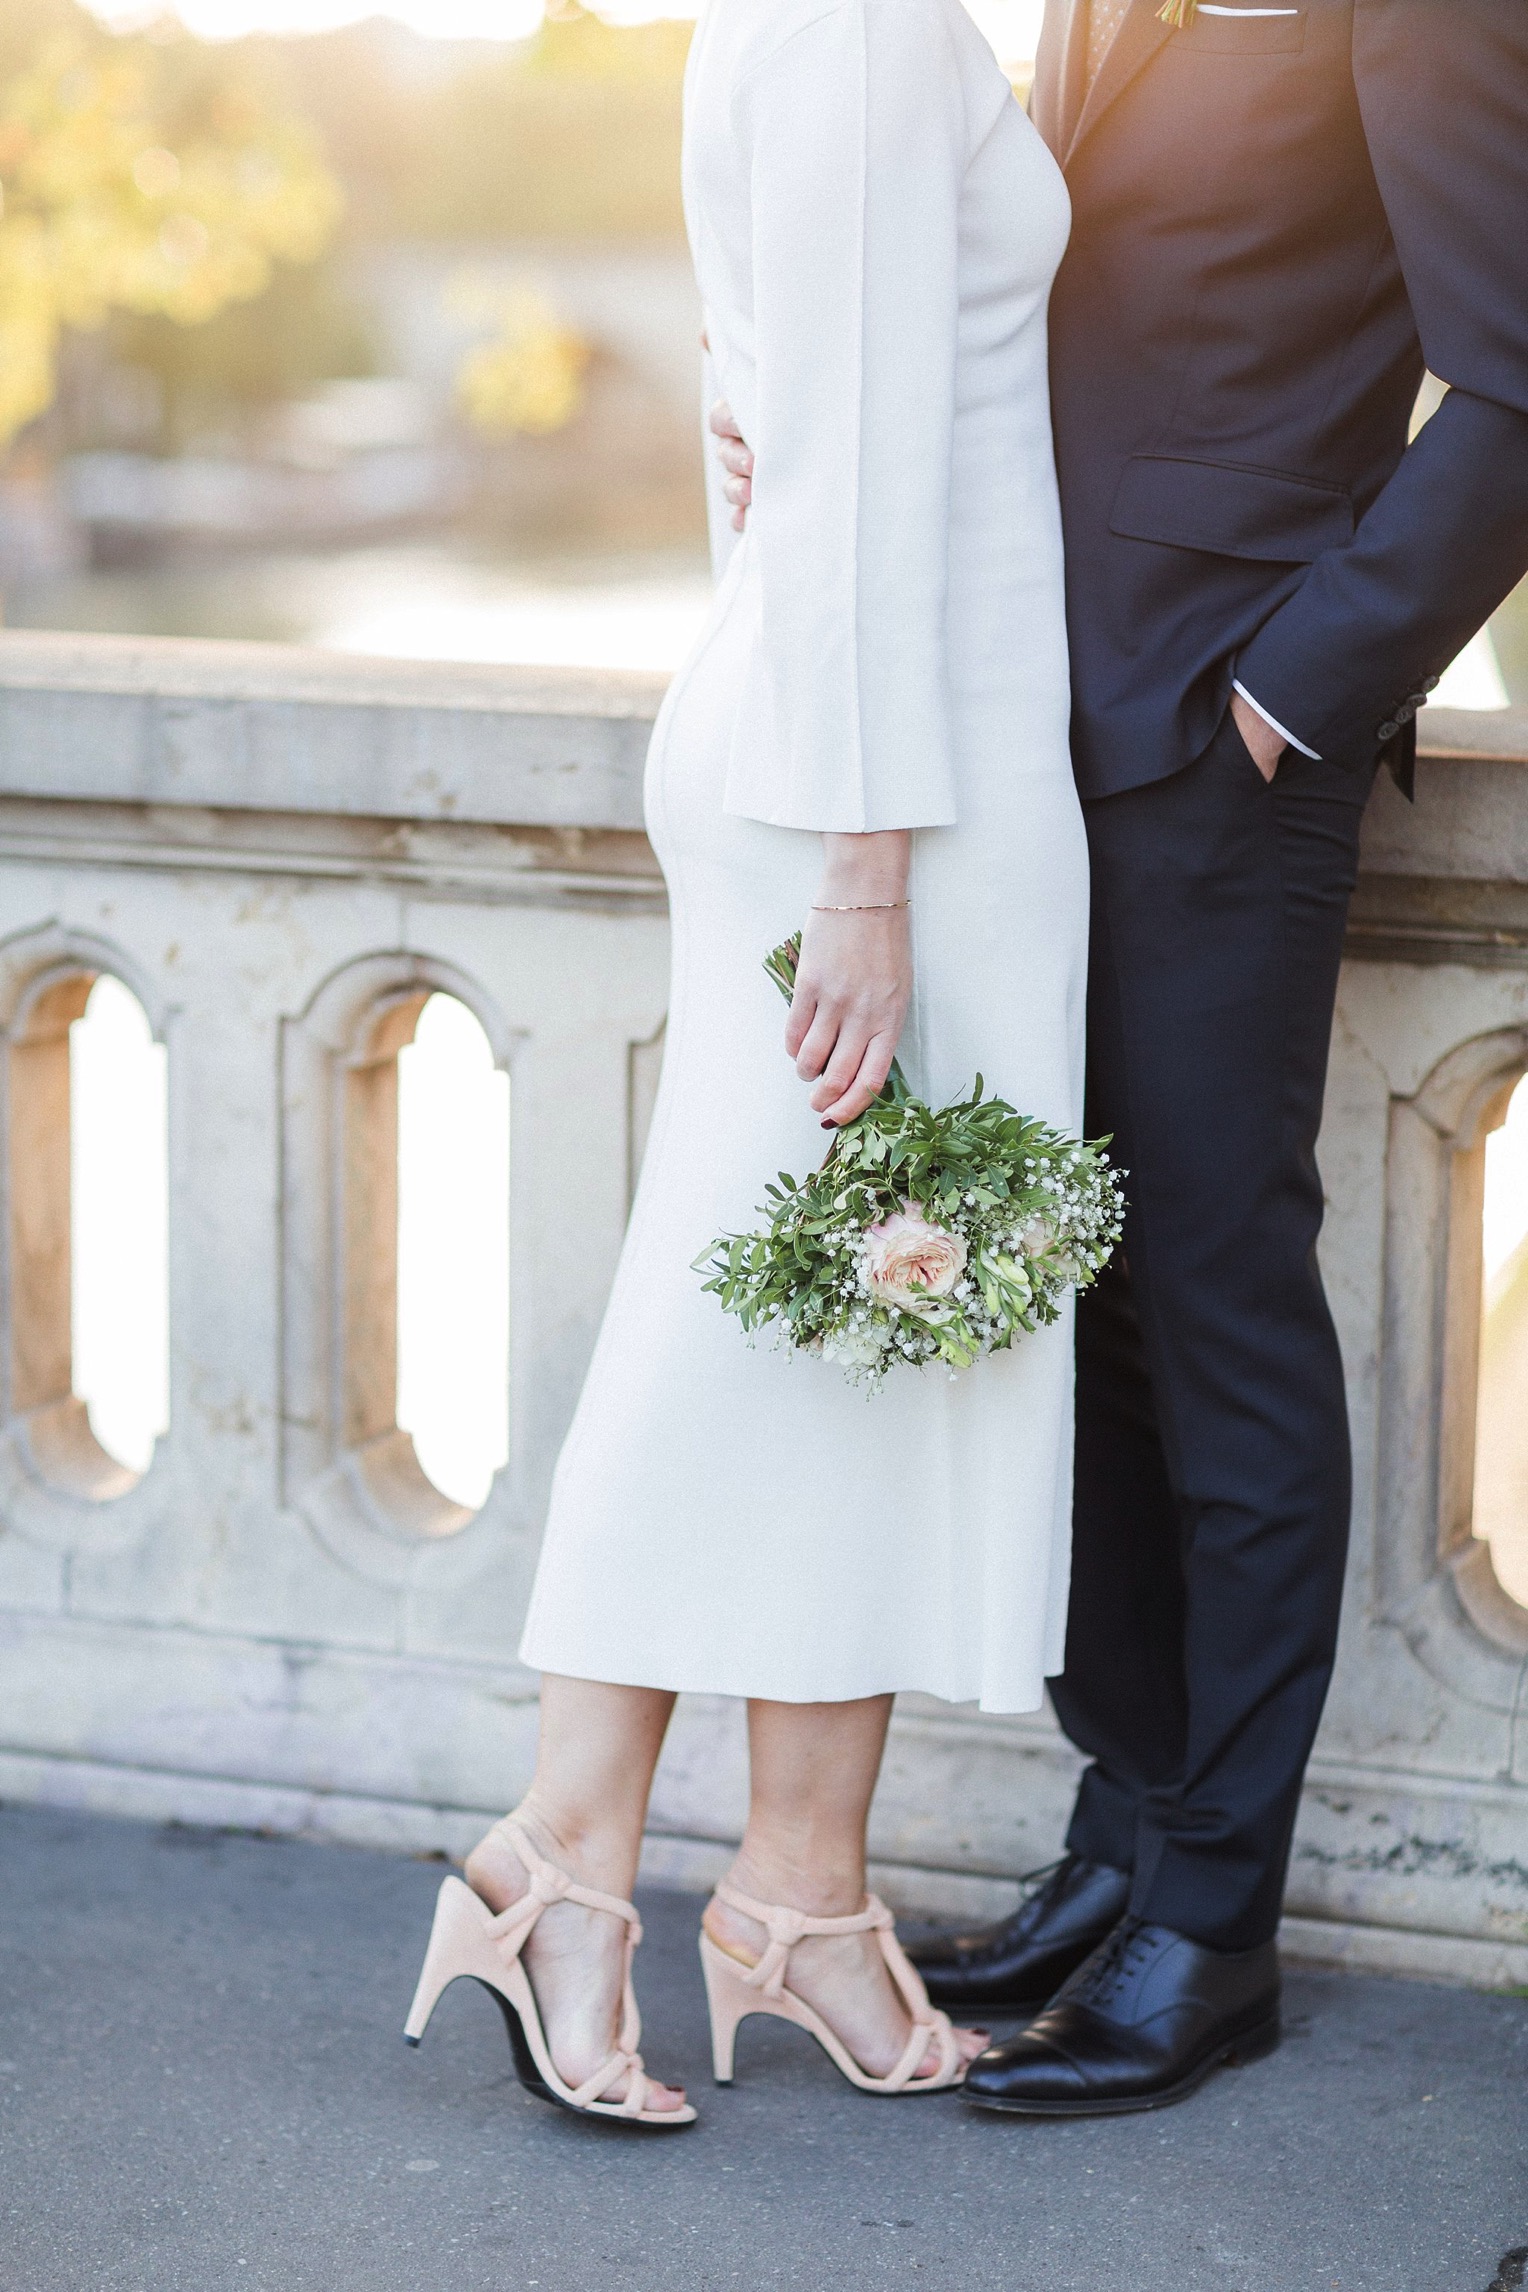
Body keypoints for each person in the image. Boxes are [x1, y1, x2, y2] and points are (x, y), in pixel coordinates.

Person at [715, 0, 1528, 2116]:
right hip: (1025, 731)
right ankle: (1131, 1826)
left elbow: (1511, 377)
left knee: (1217, 1300)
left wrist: (1300, 689)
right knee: (1077, 1303)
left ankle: (1216, 1926)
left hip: (1218, 747)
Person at [402, 0, 1090, 2124]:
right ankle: (561, 1860)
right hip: (885, 802)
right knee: (747, 1327)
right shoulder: (866, 27)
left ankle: (790, 1893)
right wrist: (867, 866)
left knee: (853, 1332)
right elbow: (859, 457)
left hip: (868, 767)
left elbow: (773, 406)